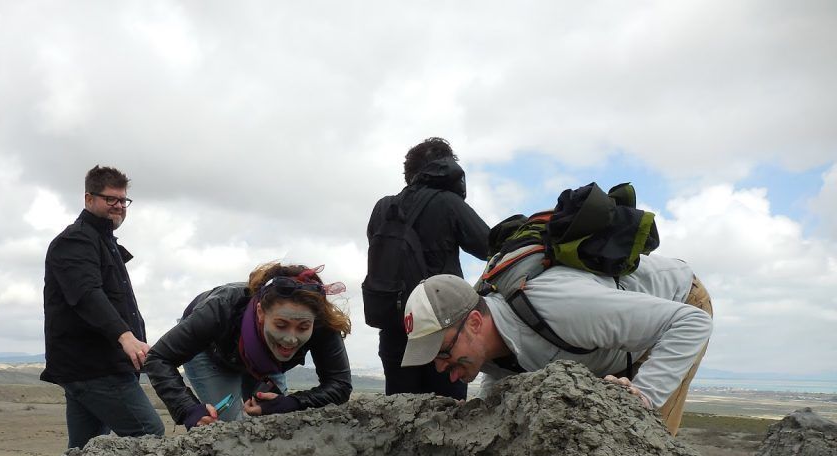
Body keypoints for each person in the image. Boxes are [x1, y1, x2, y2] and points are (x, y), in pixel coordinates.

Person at [400, 255, 714, 435]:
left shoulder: (561, 307)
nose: (441, 368)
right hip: (607, 345)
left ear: (475, 324)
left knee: (641, 433)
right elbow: (502, 380)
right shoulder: (491, 346)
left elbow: (690, 323)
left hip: (678, 306)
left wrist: (644, 396)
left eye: (443, 352)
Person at [41, 165, 165, 449]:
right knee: (148, 432)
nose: (119, 206)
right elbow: (86, 295)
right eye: (110, 199)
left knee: (85, 451)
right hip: (95, 366)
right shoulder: (75, 240)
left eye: (123, 201)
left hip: (92, 366)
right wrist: (126, 337)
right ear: (88, 199)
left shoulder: (103, 242)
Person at [145, 263, 353, 430]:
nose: (291, 339)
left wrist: (292, 403)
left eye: (303, 328)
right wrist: (188, 409)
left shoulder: (322, 322)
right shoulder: (220, 309)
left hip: (266, 363)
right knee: (229, 428)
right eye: (281, 325)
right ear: (261, 313)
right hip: (211, 352)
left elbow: (340, 384)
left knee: (275, 421)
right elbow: (158, 358)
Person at [366, 137, 490, 398]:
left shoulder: (383, 208)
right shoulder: (448, 203)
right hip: (444, 332)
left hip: (395, 328)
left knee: (399, 416)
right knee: (449, 418)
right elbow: (489, 247)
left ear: (408, 172)